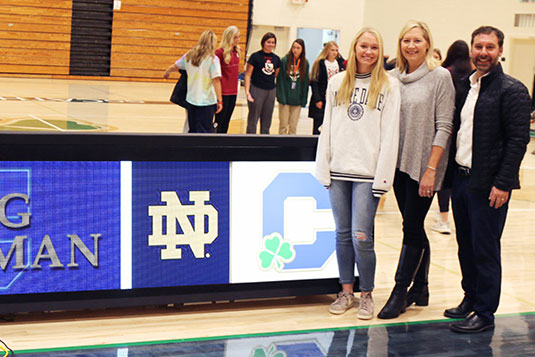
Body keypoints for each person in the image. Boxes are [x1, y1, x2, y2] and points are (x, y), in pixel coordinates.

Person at [444, 26, 531, 333]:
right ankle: (470, 298)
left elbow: (518, 141)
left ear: (500, 50)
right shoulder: (466, 87)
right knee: (465, 246)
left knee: (485, 250)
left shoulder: (513, 90)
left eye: (490, 47)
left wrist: (504, 183)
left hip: (490, 186)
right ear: (471, 49)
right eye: (478, 46)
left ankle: (485, 312)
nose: (483, 52)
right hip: (462, 180)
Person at [316, 28, 401, 320]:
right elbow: (327, 126)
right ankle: (347, 292)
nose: (368, 52)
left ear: (380, 52)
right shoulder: (337, 82)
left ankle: (367, 294)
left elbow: (391, 136)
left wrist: (383, 178)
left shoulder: (389, 86)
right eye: (364, 46)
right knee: (341, 234)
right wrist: (322, 166)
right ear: (354, 49)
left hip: (368, 174)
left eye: (374, 47)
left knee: (361, 236)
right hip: (338, 170)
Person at [377, 20, 455, 319]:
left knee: (411, 227)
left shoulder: (440, 77)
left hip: (425, 165)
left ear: (427, 43)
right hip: (397, 164)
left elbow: (444, 125)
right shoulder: (392, 78)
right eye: (406, 40)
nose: (411, 45)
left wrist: (432, 169)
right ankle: (421, 288)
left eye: (417, 41)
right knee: (413, 224)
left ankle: (400, 291)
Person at [432, 40, 473, 234]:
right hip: (463, 133)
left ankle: (444, 219)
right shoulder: (472, 74)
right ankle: (449, 219)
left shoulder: (445, 73)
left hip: (446, 131)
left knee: (444, 178)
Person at [163, 30, 222, 133]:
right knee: (205, 130)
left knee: (193, 129)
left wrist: (167, 72)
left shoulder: (189, 56)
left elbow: (175, 66)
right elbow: (216, 80)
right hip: (207, 101)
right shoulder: (213, 59)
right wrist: (220, 100)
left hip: (191, 99)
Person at [244, 32, 281, 134]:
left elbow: (276, 75)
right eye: (268, 42)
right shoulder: (255, 56)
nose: (271, 44)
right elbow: (247, 75)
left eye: (273, 42)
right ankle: (250, 143)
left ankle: (264, 143)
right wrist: (247, 91)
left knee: (267, 120)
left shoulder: (276, 59)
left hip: (270, 91)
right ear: (263, 42)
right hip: (257, 89)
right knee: (253, 120)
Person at [309, 41, 345, 134]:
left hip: (335, 98)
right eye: (332, 50)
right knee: (318, 125)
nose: (334, 52)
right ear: (327, 51)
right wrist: (317, 99)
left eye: (336, 50)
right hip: (322, 97)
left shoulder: (340, 64)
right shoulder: (320, 63)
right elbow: (315, 82)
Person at [276, 39, 310, 134]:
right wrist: (281, 97)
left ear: (302, 50)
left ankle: (290, 147)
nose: (295, 50)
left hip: (297, 100)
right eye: (294, 47)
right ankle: (281, 146)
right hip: (285, 99)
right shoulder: (284, 61)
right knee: (283, 125)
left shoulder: (305, 63)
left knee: (293, 126)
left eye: (298, 48)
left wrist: (304, 99)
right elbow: (280, 81)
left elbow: (305, 83)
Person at [214, 26, 241, 133]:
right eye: (235, 37)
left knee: (227, 120)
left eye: (239, 37)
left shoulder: (237, 51)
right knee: (219, 120)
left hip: (233, 92)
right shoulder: (219, 53)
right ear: (229, 37)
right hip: (223, 92)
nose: (238, 40)